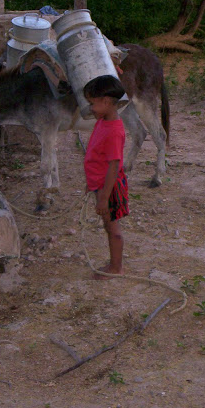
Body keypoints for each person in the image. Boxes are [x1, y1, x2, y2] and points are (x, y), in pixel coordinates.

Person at [83, 75, 129, 280]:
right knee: (108, 224)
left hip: (108, 187)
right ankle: (114, 263)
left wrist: (103, 197)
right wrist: (91, 184)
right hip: (101, 185)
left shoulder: (113, 132)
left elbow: (113, 166)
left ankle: (116, 267)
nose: (90, 108)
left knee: (112, 227)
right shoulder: (103, 122)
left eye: (92, 103)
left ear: (107, 102)